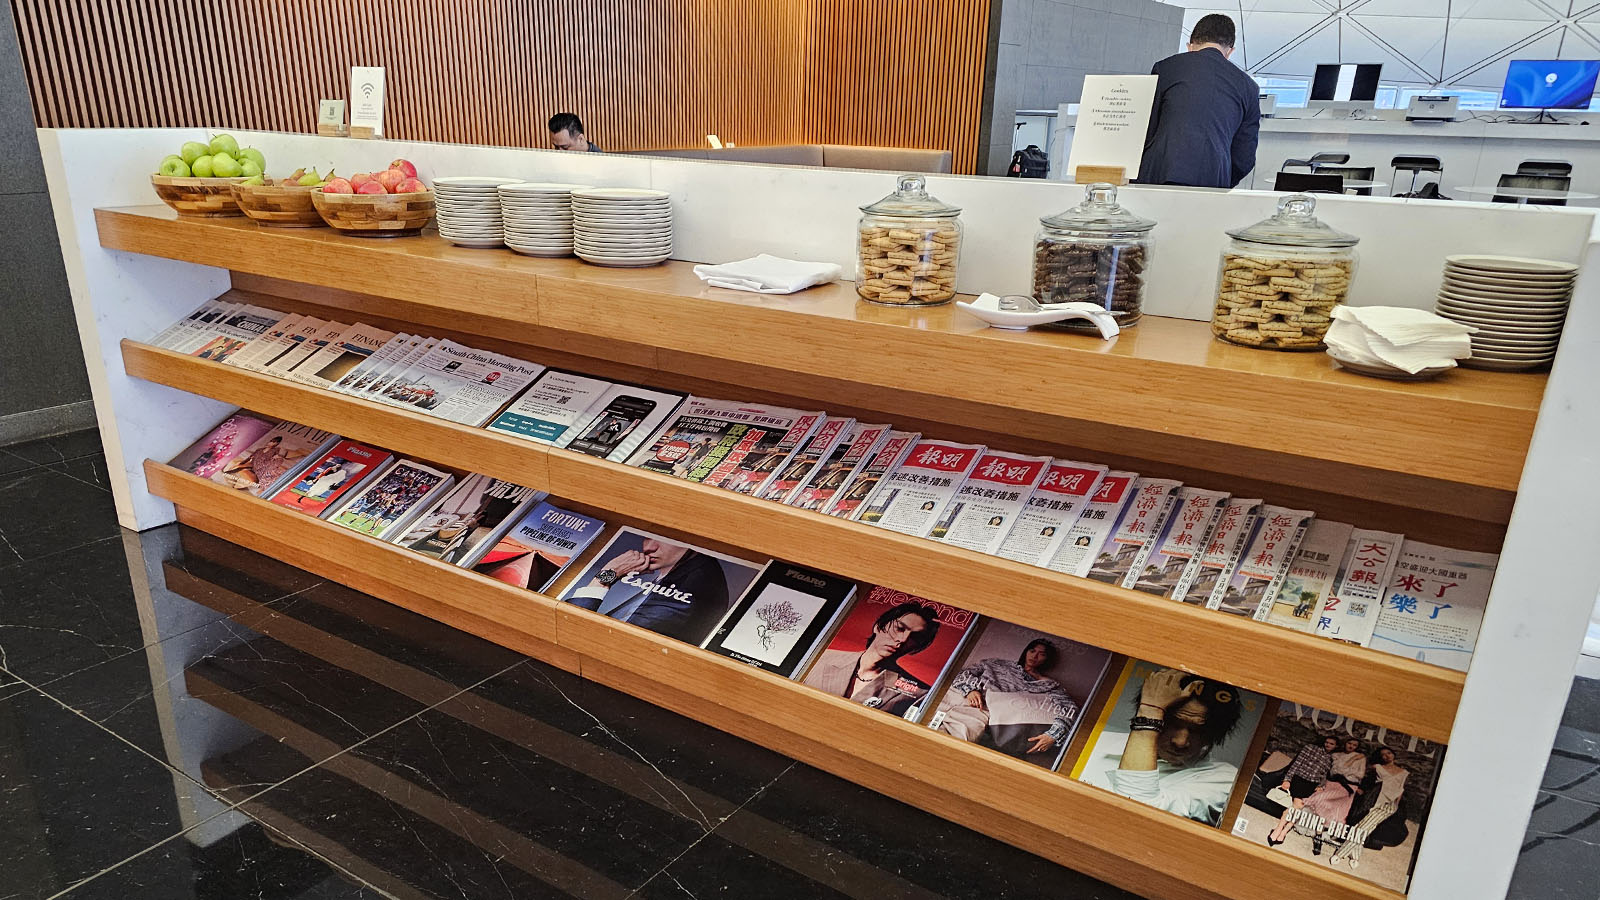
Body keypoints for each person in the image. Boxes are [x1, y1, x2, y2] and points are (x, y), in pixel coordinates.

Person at [1106, 667, 1245, 824]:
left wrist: (1151, 712)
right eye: (1171, 723)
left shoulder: (1227, 780)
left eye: (1197, 730)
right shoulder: (1101, 741)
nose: (1180, 742)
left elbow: (1132, 811)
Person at [1138, 14, 1260, 189]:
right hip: (1213, 179)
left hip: (1158, 173)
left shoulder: (1165, 68)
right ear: (1230, 51)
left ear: (1190, 45)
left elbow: (1147, 128)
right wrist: (1221, 179)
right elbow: (1244, 157)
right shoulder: (1249, 87)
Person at [567, 536, 730, 643]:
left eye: (666, 539)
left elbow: (575, 632)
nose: (649, 547)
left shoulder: (696, 583)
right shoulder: (682, 572)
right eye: (648, 536)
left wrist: (605, 577)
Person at [943, 638, 1080, 761]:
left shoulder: (1048, 684)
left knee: (956, 738)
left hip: (987, 710)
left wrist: (1053, 734)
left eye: (1042, 654)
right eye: (1032, 651)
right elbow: (961, 673)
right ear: (1026, 651)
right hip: (965, 694)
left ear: (1047, 660)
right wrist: (970, 690)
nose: (1035, 656)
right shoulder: (996, 663)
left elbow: (1069, 709)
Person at [804, 602, 941, 716]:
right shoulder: (822, 657)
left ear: (917, 647)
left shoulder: (920, 693)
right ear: (878, 626)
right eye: (899, 628)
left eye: (915, 637)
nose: (903, 639)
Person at [1330, 747, 1408, 870]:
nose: (1386, 756)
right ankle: (1354, 856)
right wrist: (1358, 757)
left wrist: (1396, 805)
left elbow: (1401, 789)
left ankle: (1340, 854)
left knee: (1363, 827)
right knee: (1365, 827)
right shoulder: (1377, 767)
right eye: (1383, 755)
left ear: (1393, 754)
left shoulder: (1403, 772)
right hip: (1375, 800)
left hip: (1390, 805)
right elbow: (1363, 774)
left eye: (1388, 753)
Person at [1267, 735, 1338, 846]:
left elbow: (1325, 775)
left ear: (1336, 746)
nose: (1328, 745)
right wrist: (1287, 779)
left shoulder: (1331, 759)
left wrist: (1321, 786)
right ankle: (1280, 831)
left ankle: (1281, 832)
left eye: (1331, 744)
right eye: (1327, 742)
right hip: (1299, 780)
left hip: (1311, 786)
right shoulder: (1310, 748)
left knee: (1297, 809)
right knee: (1296, 807)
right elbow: (1296, 764)